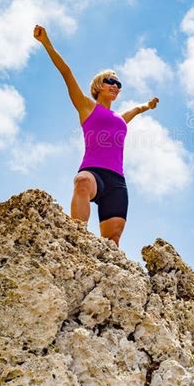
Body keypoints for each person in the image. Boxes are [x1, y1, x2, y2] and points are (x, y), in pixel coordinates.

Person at [33, 25, 159, 246]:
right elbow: (66, 72)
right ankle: (75, 242)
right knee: (81, 182)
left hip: (117, 183)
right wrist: (46, 43)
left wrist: (147, 105)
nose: (116, 86)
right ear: (99, 86)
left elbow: (136, 110)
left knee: (112, 242)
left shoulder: (120, 119)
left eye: (119, 84)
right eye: (111, 81)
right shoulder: (86, 107)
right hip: (94, 173)